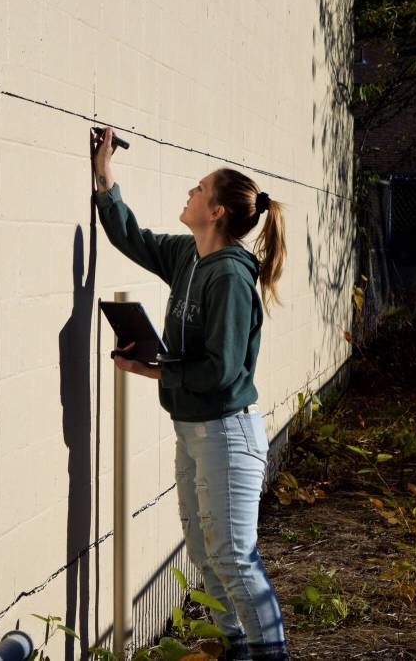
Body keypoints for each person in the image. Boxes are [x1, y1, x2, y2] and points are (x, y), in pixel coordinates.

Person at [92, 127, 290, 661]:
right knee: (205, 552)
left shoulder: (227, 277)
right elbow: (133, 239)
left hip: (227, 432)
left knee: (232, 556)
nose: (190, 192)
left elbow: (222, 373)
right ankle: (237, 648)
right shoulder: (188, 257)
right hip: (194, 430)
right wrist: (105, 177)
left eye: (199, 189)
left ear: (218, 211)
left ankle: (271, 654)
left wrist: (154, 370)